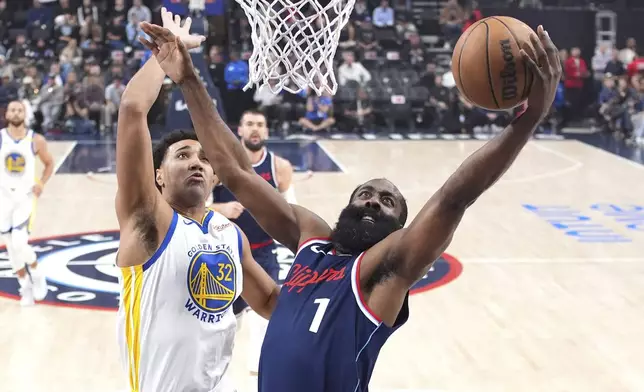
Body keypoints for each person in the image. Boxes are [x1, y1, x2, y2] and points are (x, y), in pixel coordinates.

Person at [140, 21, 561, 391]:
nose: (373, 201)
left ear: (401, 227)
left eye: (387, 202)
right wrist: (188, 77)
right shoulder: (312, 238)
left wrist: (527, 121)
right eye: (366, 194)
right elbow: (236, 172)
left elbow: (455, 197)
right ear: (347, 205)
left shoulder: (385, 270)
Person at [114, 9, 279, 392]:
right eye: (183, 155)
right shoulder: (147, 220)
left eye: (205, 158)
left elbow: (270, 299)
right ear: (157, 175)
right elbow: (133, 110)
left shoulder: (229, 234)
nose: (196, 163)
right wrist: (167, 56)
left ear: (217, 177)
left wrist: (331, 302)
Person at [209, 109, 296, 391]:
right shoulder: (222, 166)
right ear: (240, 131)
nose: (255, 129)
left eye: (260, 124)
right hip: (225, 255)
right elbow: (196, 207)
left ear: (266, 131)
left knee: (266, 323)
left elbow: (293, 213)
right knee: (225, 325)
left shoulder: (279, 168)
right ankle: (224, 383)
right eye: (250, 124)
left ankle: (262, 380)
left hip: (263, 253)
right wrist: (221, 208)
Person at [0, 100, 54, 306]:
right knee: (11, 248)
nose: (16, 113)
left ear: (25, 114)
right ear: (7, 115)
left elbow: (49, 163)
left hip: (24, 198)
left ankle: (37, 273)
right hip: (3, 198)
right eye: (12, 109)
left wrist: (41, 182)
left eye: (19, 110)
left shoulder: (36, 140)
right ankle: (24, 286)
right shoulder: (1, 137)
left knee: (20, 243)